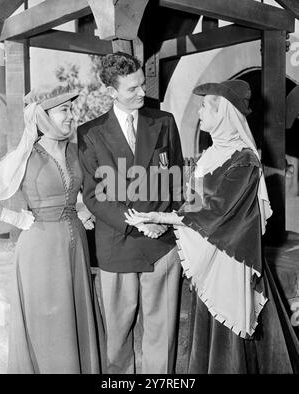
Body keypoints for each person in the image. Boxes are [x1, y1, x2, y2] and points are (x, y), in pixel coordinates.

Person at [125, 80, 299, 373]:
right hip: (209, 264)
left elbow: (215, 214)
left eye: (205, 106)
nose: (200, 112)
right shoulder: (208, 155)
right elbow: (191, 207)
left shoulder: (245, 161)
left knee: (235, 347)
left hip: (233, 264)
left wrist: (160, 218)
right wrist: (157, 225)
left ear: (223, 113)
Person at [77, 52, 184, 374]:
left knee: (161, 332)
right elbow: (94, 194)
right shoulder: (89, 132)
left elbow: (177, 179)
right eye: (131, 89)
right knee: (117, 335)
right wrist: (139, 224)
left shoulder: (164, 121)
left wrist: (159, 222)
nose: (141, 92)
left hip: (161, 244)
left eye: (142, 84)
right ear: (111, 91)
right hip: (117, 245)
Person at [0, 84, 105, 374]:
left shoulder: (76, 151)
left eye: (72, 109)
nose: (72, 116)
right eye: (63, 110)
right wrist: (17, 219)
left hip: (76, 247)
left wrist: (82, 212)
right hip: (40, 251)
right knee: (49, 324)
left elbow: (82, 193)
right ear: (43, 117)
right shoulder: (25, 155)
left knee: (75, 319)